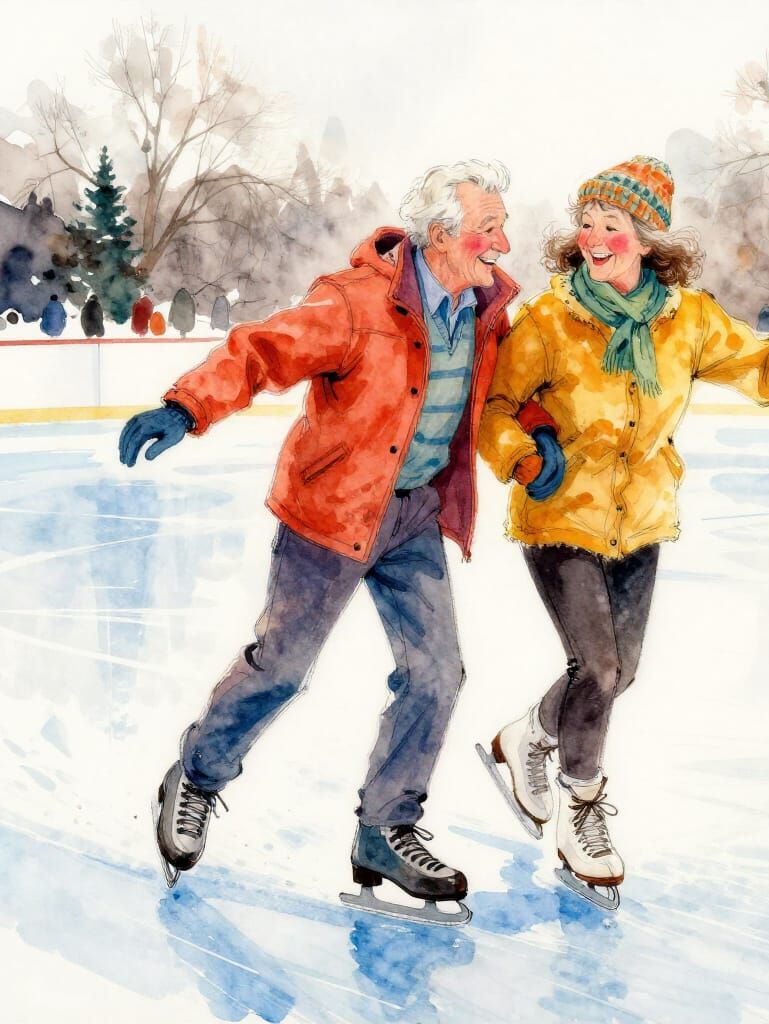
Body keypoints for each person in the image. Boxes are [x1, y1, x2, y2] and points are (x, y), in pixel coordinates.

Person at [477, 155, 769, 908]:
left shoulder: (686, 321)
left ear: (647, 240)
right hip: (560, 516)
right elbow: (494, 407)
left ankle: (529, 735)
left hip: (642, 520)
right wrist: (523, 455)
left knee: (620, 670)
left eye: (612, 225)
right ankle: (582, 811)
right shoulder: (550, 321)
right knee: (601, 670)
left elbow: (767, 365)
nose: (594, 238)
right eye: (586, 223)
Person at [119, 159, 554, 925]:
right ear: (442, 234)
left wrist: (537, 437)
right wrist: (185, 407)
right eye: (489, 228)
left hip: (414, 514)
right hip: (332, 512)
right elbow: (262, 349)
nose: (502, 243)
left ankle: (385, 829)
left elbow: (508, 391)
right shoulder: (356, 302)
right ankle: (197, 775)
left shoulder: (486, 310)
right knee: (282, 668)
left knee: (437, 672)